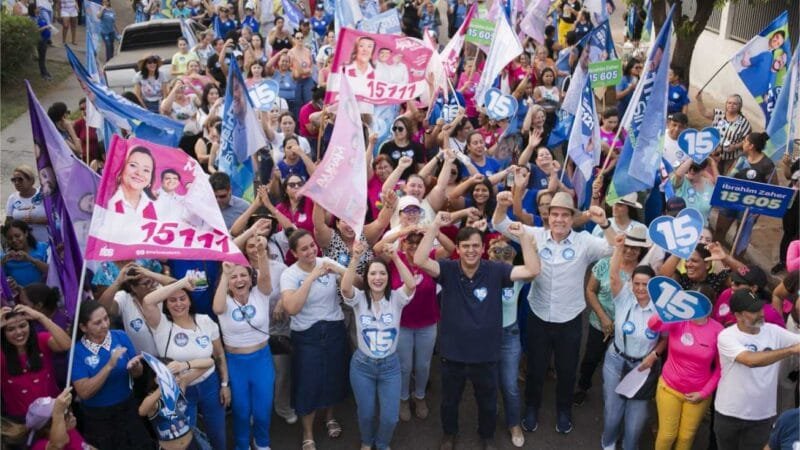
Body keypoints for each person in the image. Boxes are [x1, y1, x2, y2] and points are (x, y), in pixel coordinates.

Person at [415, 210, 540, 450]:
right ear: (458, 249)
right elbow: (420, 260)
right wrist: (434, 227)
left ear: (482, 248)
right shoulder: (448, 270)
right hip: (453, 353)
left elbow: (532, 271)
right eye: (465, 246)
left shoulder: (496, 270)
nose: (471, 250)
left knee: (488, 402)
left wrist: (524, 237)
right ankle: (449, 435)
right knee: (450, 401)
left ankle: (487, 436)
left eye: (475, 246)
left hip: (486, 354)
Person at [493, 191, 616, 434]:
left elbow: (613, 247)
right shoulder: (534, 235)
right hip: (538, 315)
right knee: (536, 368)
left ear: (572, 218)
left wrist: (604, 222)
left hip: (569, 319)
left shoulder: (585, 242)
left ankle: (563, 410)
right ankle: (531, 407)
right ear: (548, 216)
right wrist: (500, 204)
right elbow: (499, 223)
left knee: (567, 369)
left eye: (565, 215)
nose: (559, 219)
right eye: (555, 214)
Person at [341, 241, 416, 450]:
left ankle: (382, 444)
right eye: (372, 274)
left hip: (390, 367)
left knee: (390, 418)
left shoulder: (397, 299)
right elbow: (345, 287)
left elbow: (411, 285)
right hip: (362, 366)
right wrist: (355, 258)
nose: (377, 278)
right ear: (366, 278)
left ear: (388, 277)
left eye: (382, 274)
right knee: (365, 413)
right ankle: (366, 441)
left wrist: (396, 258)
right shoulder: (359, 299)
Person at [141, 276, 229, 450]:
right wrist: (181, 284)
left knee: (218, 433)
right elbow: (147, 300)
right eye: (172, 300)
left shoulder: (205, 320)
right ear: (166, 305)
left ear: (190, 301)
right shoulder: (161, 325)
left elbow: (219, 355)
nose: (178, 304)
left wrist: (225, 384)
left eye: (183, 298)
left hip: (210, 385)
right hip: (180, 391)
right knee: (187, 439)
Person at [280, 229, 349, 450]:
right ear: (293, 253)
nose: (311, 251)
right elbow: (291, 308)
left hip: (334, 328)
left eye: (312, 245)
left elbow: (355, 282)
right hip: (307, 335)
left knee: (333, 378)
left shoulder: (326, 261)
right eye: (304, 248)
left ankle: (329, 417)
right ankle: (308, 431)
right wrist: (311, 277)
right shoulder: (289, 274)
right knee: (307, 384)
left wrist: (339, 269)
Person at [600, 234, 664, 450]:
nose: (639, 288)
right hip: (615, 361)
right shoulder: (623, 298)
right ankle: (608, 445)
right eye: (636, 283)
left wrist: (655, 354)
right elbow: (613, 276)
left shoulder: (660, 310)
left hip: (643, 369)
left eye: (645, 285)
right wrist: (618, 248)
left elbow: (665, 339)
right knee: (612, 413)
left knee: (635, 422)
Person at [714, 289, 800, 449]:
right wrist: (789, 350)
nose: (761, 313)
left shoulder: (774, 331)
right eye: (753, 311)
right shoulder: (726, 336)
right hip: (729, 413)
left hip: (762, 416)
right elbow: (749, 360)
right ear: (738, 315)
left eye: (760, 308)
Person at [575, 226, 650, 406]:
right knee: (592, 357)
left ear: (641, 250)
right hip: (601, 323)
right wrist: (603, 317)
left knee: (626, 362)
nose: (630, 250)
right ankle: (582, 387)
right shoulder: (604, 264)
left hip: (628, 328)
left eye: (636, 247)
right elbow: (591, 290)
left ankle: (621, 394)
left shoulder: (644, 272)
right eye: (627, 245)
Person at [212, 239, 274, 450]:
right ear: (228, 281)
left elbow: (265, 278)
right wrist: (225, 274)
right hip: (236, 363)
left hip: (262, 359)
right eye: (234, 277)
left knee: (263, 408)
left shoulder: (260, 294)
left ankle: (262, 442)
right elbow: (217, 308)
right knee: (240, 409)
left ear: (250, 278)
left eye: (243, 275)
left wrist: (261, 253)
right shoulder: (225, 300)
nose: (239, 280)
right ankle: (242, 445)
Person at [71, 302, 152, 450]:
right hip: (99, 419)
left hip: (128, 408)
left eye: (106, 318)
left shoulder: (120, 336)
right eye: (97, 322)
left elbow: (138, 374)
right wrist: (109, 365)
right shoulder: (77, 351)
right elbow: (84, 392)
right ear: (83, 327)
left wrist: (136, 367)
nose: (104, 324)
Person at [648, 301, 724, 450]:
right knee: (667, 435)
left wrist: (704, 393)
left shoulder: (718, 331)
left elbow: (721, 368)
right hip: (669, 388)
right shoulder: (679, 320)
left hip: (698, 395)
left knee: (686, 437)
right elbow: (653, 325)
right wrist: (666, 312)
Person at [1, 304, 71, 422]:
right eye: (10, 329)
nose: (18, 332)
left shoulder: (41, 340)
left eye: (23, 325)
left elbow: (66, 344)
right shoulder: (2, 354)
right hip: (21, 422)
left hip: (54, 413)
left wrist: (41, 317)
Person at [695, 92, 751, 174]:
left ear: (739, 106)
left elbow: (747, 140)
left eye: (735, 104)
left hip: (730, 158)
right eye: (729, 103)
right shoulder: (719, 114)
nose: (731, 105)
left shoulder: (744, 123)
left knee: (725, 177)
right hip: (713, 155)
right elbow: (704, 113)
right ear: (726, 104)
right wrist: (699, 100)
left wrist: (735, 146)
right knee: (709, 175)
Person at [25, 389, 92, 450]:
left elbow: (85, 447)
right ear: (48, 428)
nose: (71, 414)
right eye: (65, 414)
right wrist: (58, 413)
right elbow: (58, 445)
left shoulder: (69, 430)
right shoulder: (41, 446)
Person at [108, 146, 159, 221]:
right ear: (121, 168)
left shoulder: (156, 206)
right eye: (133, 165)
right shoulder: (107, 199)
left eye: (146, 170)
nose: (139, 173)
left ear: (151, 178)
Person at [6, 165, 48, 243]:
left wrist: (35, 221)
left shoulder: (44, 195)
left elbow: (56, 219)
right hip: (24, 247)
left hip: (46, 243)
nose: (17, 183)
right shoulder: (12, 198)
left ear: (31, 181)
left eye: (20, 179)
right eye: (14, 180)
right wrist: (19, 223)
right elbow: (8, 223)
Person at [1, 220, 49, 287]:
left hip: (44, 294)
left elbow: (53, 272)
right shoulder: (6, 258)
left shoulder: (43, 248)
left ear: (26, 233)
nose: (14, 240)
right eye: (10, 238)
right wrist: (2, 263)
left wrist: (31, 259)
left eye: (17, 236)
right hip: (21, 296)